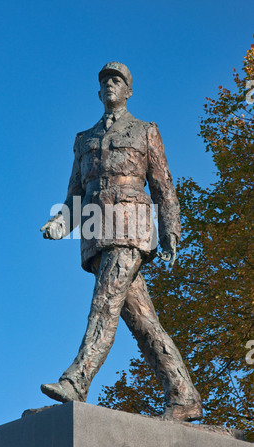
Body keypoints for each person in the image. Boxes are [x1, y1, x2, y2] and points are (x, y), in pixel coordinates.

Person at [40, 62, 202, 421]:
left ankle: (76, 380)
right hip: (97, 235)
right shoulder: (84, 140)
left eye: (118, 80)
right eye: (105, 81)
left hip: (130, 230)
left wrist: (170, 231)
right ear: (99, 93)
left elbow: (163, 187)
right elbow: (75, 197)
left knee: (104, 306)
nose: (111, 84)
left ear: (129, 91)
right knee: (143, 321)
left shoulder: (145, 131)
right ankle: (183, 393)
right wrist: (59, 222)